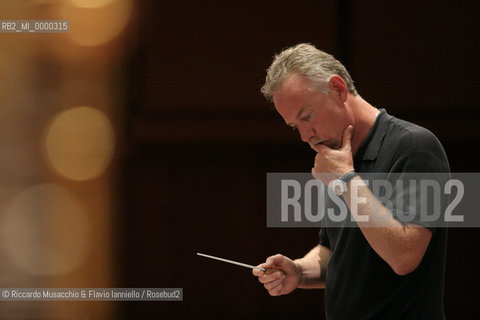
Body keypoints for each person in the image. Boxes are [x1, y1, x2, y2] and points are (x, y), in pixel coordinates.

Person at [252, 43, 449, 319]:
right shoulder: (338, 162)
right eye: (295, 126)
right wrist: (298, 271)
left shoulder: (415, 147)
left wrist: (347, 181)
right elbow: (335, 253)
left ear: (338, 89)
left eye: (307, 117)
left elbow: (404, 257)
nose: (305, 135)